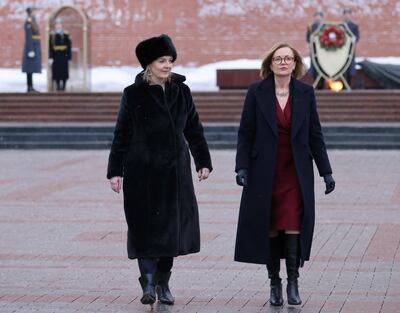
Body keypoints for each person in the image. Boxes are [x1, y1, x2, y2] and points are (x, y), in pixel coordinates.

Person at [107, 34, 212, 308]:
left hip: (175, 172)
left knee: (171, 230)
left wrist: (203, 160)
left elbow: (193, 128)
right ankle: (148, 282)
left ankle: (163, 282)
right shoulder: (133, 94)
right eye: (161, 60)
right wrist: (115, 171)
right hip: (142, 171)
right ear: (148, 64)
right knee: (144, 228)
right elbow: (122, 134)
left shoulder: (181, 91)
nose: (167, 65)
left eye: (170, 60)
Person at [234, 42, 335, 306]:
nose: (283, 62)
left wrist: (326, 172)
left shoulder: (305, 92)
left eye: (288, 58)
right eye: (278, 58)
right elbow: (245, 132)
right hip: (264, 172)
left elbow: (315, 134)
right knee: (269, 226)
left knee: (292, 224)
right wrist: (241, 167)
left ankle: (293, 282)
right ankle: (274, 283)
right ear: (270, 63)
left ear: (295, 64)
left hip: (295, 172)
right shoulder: (256, 92)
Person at [22, 6, 42, 92]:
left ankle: (31, 86)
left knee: (31, 68)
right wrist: (30, 49)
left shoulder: (33, 20)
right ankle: (29, 87)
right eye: (34, 11)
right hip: (31, 46)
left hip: (34, 45)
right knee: (29, 68)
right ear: (30, 12)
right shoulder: (29, 21)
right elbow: (28, 36)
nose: (35, 12)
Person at [49, 18, 72, 91]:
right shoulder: (52, 35)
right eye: (57, 24)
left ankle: (64, 85)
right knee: (57, 71)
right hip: (56, 55)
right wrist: (50, 57)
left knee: (64, 71)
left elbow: (69, 46)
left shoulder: (66, 34)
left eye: (60, 24)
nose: (58, 26)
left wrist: (69, 57)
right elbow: (50, 47)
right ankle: (58, 85)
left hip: (64, 55)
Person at [306, 11, 324, 89]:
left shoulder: (324, 27)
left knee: (323, 67)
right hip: (314, 50)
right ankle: (315, 84)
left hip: (323, 51)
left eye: (319, 16)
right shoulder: (311, 27)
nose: (318, 18)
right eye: (316, 16)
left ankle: (322, 85)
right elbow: (308, 39)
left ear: (322, 17)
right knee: (314, 67)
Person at [342, 8, 360, 87]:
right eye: (345, 14)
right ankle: (343, 84)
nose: (347, 15)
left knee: (350, 67)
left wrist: (351, 39)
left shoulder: (354, 26)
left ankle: (349, 84)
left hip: (350, 50)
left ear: (350, 15)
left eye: (348, 14)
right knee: (342, 67)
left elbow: (357, 37)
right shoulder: (341, 25)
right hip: (341, 51)